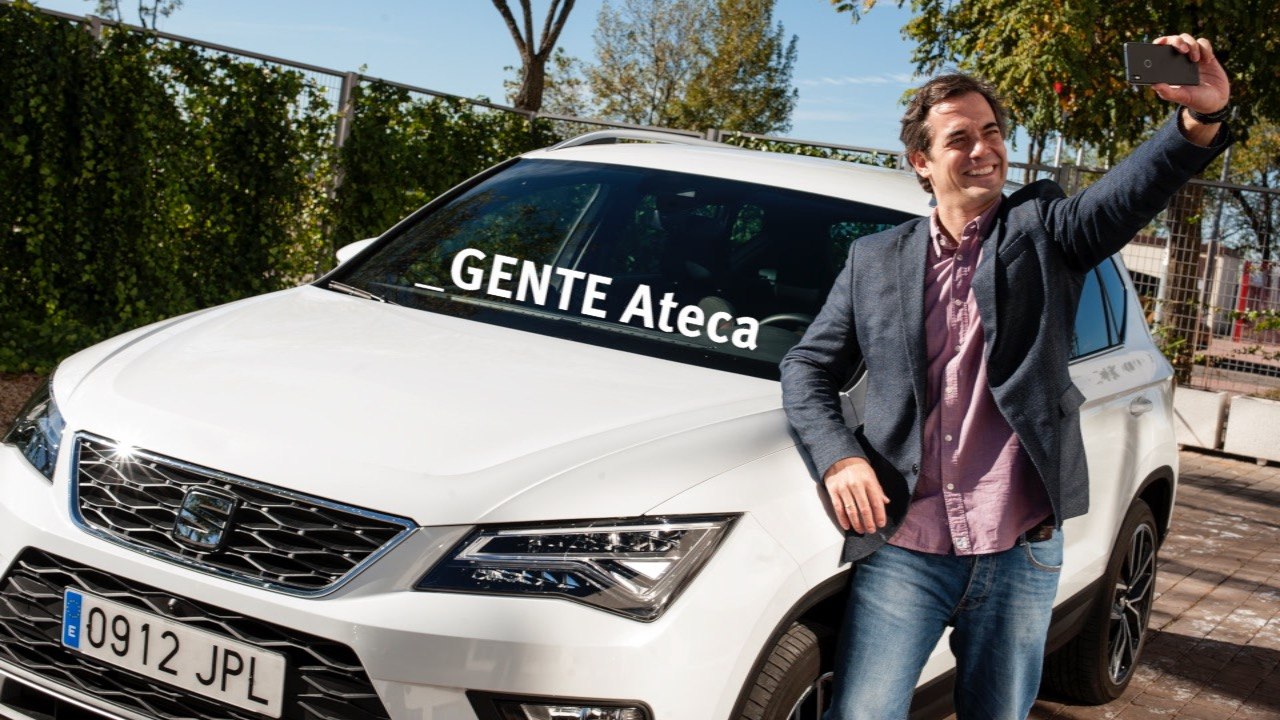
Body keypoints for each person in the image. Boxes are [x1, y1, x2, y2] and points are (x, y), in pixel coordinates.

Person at [779, 34, 1231, 719]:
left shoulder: (1046, 231)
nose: (984, 149)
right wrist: (839, 456)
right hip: (906, 551)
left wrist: (1196, 121)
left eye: (992, 132)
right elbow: (807, 365)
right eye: (960, 137)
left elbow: (1125, 195)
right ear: (921, 161)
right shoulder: (873, 261)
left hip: (1019, 552)